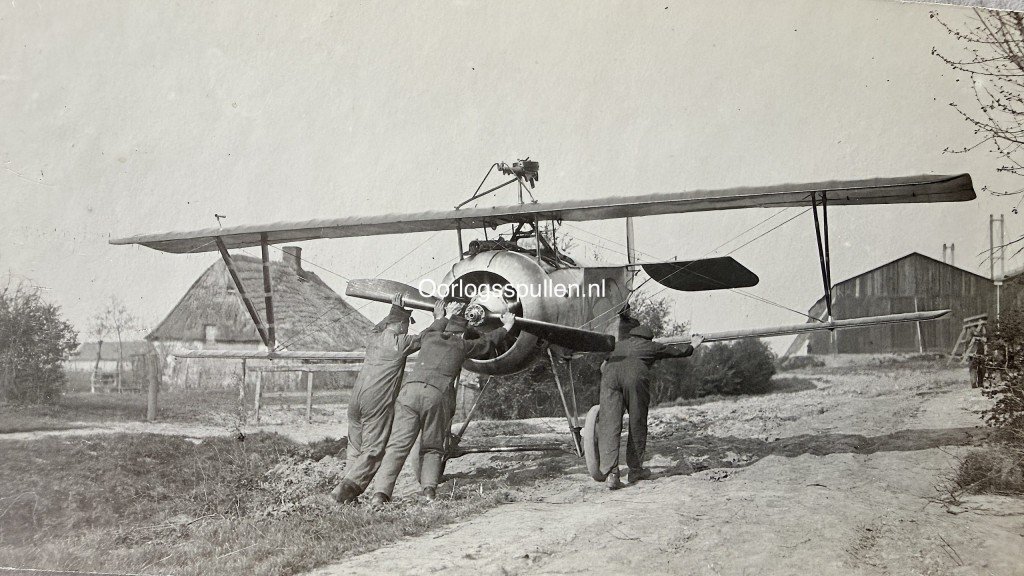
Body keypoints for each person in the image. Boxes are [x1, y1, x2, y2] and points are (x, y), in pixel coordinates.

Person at [368, 299, 515, 505]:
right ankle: (428, 492)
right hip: (436, 396)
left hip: (408, 393)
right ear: (462, 332)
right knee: (432, 448)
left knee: (397, 446)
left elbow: (435, 325)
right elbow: (488, 342)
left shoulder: (429, 336)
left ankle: (380, 494)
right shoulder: (462, 344)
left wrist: (442, 315)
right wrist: (507, 325)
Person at [331, 294, 421, 504]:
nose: (407, 329)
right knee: (374, 449)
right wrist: (441, 316)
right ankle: (346, 492)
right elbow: (429, 336)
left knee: (355, 447)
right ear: (400, 325)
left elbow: (382, 326)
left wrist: (395, 308)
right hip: (376, 402)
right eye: (406, 325)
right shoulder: (401, 343)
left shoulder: (374, 339)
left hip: (356, 400)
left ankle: (346, 493)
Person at [598, 323, 704, 489]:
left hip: (610, 376)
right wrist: (693, 345)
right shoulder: (652, 346)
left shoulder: (618, 345)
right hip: (635, 378)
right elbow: (678, 352)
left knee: (608, 424)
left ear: (632, 335)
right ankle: (635, 470)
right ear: (648, 337)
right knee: (637, 421)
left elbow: (603, 365)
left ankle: (611, 474)